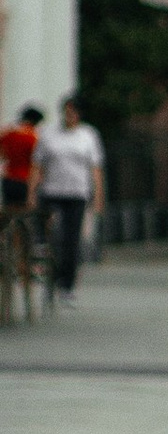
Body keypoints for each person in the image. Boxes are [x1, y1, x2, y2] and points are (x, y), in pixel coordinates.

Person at [35, 94, 104, 298]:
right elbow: (37, 165)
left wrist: (98, 196)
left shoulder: (88, 135)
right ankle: (50, 273)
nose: (70, 115)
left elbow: (96, 169)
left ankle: (67, 283)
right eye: (67, 111)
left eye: (74, 111)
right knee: (54, 234)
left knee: (72, 240)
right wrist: (32, 191)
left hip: (76, 193)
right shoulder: (49, 134)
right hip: (52, 192)